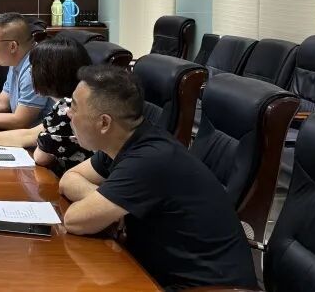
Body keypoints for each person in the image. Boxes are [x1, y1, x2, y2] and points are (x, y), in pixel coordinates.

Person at [59, 65, 257, 290]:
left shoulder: (149, 159)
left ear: (104, 123)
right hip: (153, 272)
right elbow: (69, 179)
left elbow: (75, 221)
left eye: (74, 107)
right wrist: (104, 199)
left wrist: (105, 204)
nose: (68, 114)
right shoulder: (122, 141)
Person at [0, 37, 93, 174]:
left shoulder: (67, 110)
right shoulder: (66, 104)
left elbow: (40, 157)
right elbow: (28, 135)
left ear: (52, 72)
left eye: (35, 66)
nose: (30, 72)